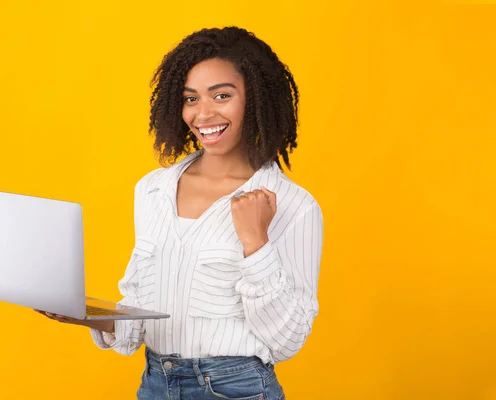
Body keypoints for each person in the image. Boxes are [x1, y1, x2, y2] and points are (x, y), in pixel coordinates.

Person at [37, 26, 324, 399]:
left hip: (236, 389)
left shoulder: (293, 206)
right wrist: (84, 314)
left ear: (255, 99)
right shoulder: (153, 190)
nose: (203, 114)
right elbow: (141, 315)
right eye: (191, 99)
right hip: (156, 383)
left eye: (222, 95)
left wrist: (256, 243)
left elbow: (288, 341)